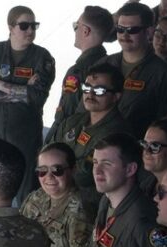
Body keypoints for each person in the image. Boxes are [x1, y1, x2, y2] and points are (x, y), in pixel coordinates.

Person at [0, 5, 57, 201]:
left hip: (25, 138)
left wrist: (0, 84)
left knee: (26, 194)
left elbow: (38, 97)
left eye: (34, 26)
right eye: (24, 26)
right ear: (11, 27)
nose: (30, 31)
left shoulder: (42, 58)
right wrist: (23, 90)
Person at [47, 61, 133, 208]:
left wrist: (53, 169)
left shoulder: (117, 133)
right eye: (86, 88)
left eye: (99, 91)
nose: (90, 94)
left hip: (88, 205)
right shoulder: (72, 122)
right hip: (56, 197)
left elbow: (86, 174)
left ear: (116, 96)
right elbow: (48, 154)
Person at [106, 0, 167, 135]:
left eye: (132, 30)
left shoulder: (164, 73)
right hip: (97, 143)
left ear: (149, 32)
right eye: (120, 29)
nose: (124, 35)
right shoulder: (104, 64)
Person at [49, 5, 113, 134]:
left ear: (85, 31)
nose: (75, 30)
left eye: (76, 26)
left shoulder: (79, 71)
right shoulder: (110, 68)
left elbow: (68, 115)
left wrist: (51, 141)